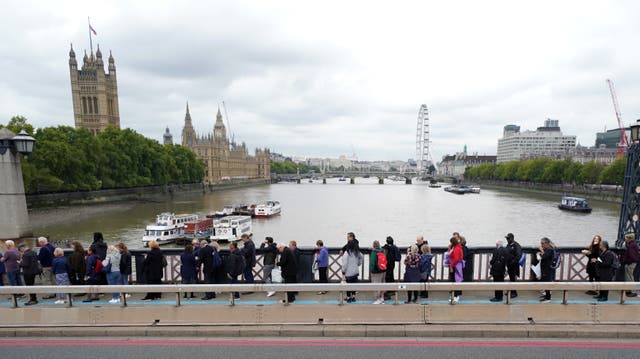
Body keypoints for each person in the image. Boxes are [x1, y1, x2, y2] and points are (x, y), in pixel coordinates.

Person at [621, 233, 639, 297]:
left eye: (625, 238)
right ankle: (630, 290)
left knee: (629, 277)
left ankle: (630, 291)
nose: (625, 239)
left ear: (628, 238)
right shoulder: (633, 244)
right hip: (632, 263)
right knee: (630, 276)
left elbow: (632, 256)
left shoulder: (631, 245)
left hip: (630, 264)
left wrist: (627, 262)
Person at [447, 236, 464, 304]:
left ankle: (456, 296)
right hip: (456, 265)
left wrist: (451, 265)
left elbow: (456, 259)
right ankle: (454, 295)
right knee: (454, 280)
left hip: (455, 266)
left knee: (455, 280)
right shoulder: (457, 247)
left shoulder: (456, 248)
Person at [505, 233, 522, 299]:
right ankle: (511, 291)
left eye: (508, 238)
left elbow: (518, 256)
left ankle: (514, 293)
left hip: (514, 266)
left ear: (512, 238)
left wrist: (513, 262)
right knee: (511, 279)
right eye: (506, 238)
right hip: (509, 265)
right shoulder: (508, 245)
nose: (507, 239)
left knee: (513, 279)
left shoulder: (516, 246)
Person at [538, 237, 555, 303]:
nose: (541, 245)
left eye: (542, 243)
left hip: (547, 269)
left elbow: (544, 257)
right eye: (541, 243)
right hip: (545, 269)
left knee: (547, 283)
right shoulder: (548, 249)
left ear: (546, 243)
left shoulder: (549, 249)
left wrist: (541, 251)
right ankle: (546, 296)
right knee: (545, 282)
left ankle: (548, 298)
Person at [369, 240, 386, 304]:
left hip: (376, 271)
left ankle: (377, 299)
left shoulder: (374, 252)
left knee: (376, 284)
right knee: (382, 283)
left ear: (373, 245)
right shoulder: (382, 251)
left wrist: (371, 271)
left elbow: (372, 263)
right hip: (383, 270)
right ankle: (382, 298)